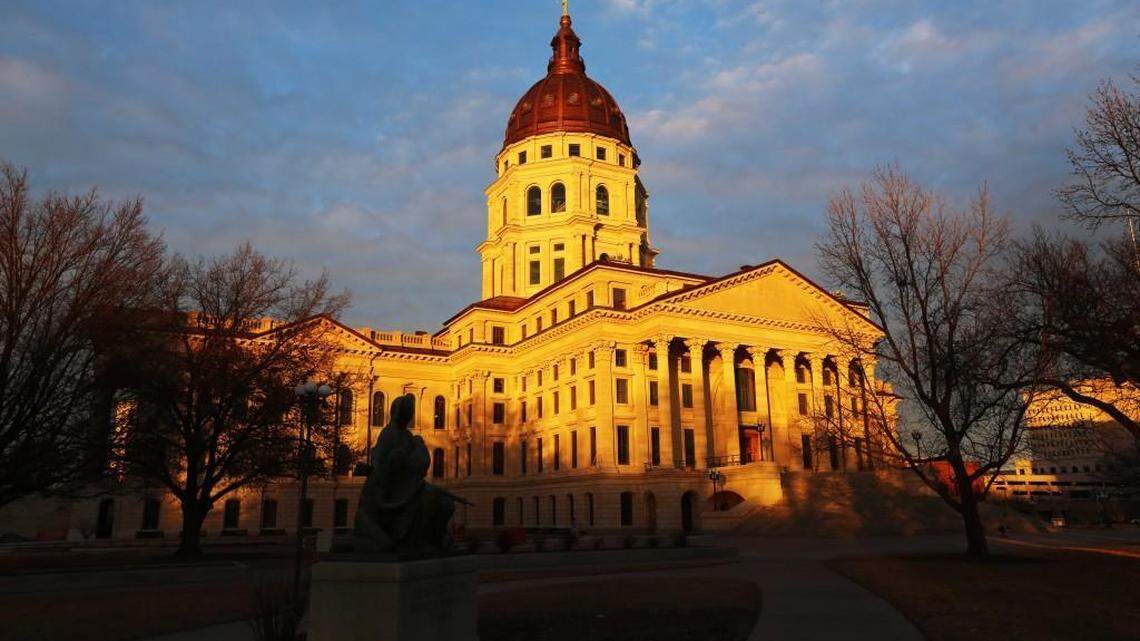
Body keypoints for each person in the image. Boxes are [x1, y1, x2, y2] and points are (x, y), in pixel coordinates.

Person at [354, 394, 456, 554]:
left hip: (408, 486)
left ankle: (434, 538)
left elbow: (418, 465)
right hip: (393, 489)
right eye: (408, 412)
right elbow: (379, 462)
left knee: (447, 503)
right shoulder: (389, 433)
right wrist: (395, 463)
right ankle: (418, 540)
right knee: (430, 498)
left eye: (410, 412)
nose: (410, 416)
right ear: (399, 413)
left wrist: (416, 453)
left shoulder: (407, 436)